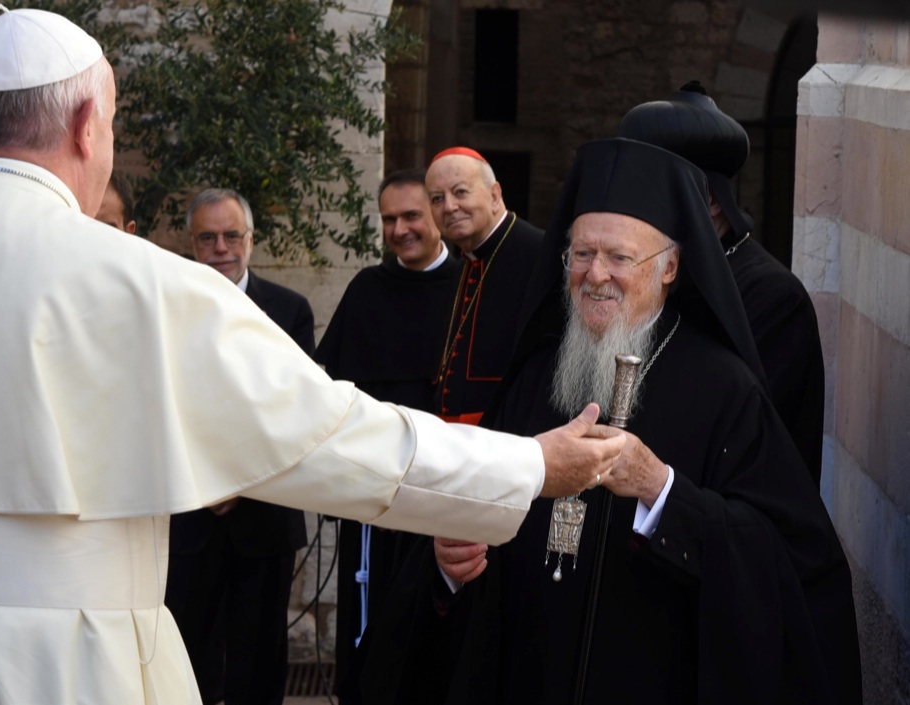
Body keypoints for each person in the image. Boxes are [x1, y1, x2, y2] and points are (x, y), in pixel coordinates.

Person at [0, 9, 626, 704]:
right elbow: (330, 437)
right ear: (87, 125)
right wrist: (526, 466)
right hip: (61, 666)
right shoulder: (154, 285)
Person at [357, 138, 861, 705]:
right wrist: (447, 566)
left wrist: (661, 490)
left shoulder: (725, 389)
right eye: (580, 254)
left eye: (620, 257)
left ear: (670, 265)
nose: (596, 275)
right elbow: (475, 527)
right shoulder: (534, 376)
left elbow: (787, 561)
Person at [620, 80, 826, 485]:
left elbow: (751, 442)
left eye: (659, 190)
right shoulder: (654, 268)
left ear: (712, 201)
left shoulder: (775, 298)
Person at [315, 168, 463, 689]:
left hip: (443, 488)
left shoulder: (469, 288)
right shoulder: (366, 290)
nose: (400, 229)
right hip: (373, 491)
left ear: (438, 219)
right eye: (389, 219)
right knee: (369, 624)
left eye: (412, 216)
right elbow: (328, 386)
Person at [167, 187, 314, 705]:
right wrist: (208, 480)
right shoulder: (169, 304)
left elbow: (293, 408)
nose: (220, 247)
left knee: (259, 658)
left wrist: (239, 481)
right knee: (186, 654)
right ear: (192, 243)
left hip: (263, 513)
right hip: (192, 513)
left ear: (251, 241)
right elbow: (166, 402)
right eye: (207, 237)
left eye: (232, 236)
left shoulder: (290, 310)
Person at [425, 147, 545, 423]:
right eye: (437, 199)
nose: (450, 207)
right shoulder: (464, 264)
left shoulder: (540, 255)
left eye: (461, 192)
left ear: (494, 195)